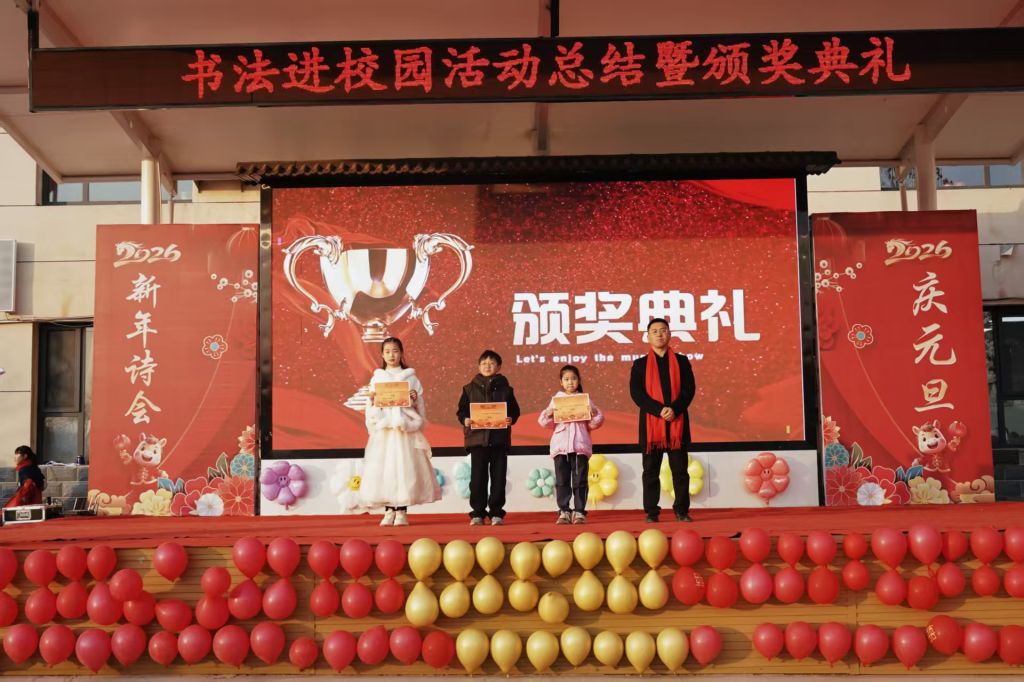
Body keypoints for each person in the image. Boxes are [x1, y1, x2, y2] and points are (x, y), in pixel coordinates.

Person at [360, 337, 441, 526]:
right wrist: (372, 401)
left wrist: (415, 398)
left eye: (395, 351)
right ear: (382, 355)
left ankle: (402, 511)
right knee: (385, 469)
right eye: (387, 351)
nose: (391, 355)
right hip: (386, 432)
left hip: (405, 432)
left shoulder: (411, 378)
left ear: (401, 353)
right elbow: (371, 411)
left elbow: (420, 410)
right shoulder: (378, 378)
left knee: (405, 469)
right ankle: (389, 511)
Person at [629, 318, 696, 523]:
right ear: (648, 336)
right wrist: (659, 410)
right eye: (655, 331)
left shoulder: (682, 361)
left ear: (669, 334)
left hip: (677, 423)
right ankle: (652, 512)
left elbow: (689, 390)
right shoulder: (640, 364)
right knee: (650, 471)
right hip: (651, 427)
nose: (659, 334)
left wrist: (674, 409)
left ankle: (681, 511)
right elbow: (636, 393)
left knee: (680, 471)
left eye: (663, 330)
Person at [456, 350, 520, 526]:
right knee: (478, 480)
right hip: (477, 441)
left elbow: (514, 411)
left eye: (491, 363)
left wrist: (510, 419)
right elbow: (462, 411)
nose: (487, 366)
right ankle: (477, 513)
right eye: (484, 363)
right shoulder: (469, 389)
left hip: (499, 440)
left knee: (498, 479)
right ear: (479, 366)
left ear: (498, 367)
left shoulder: (506, 390)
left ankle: (496, 513)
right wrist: (465, 419)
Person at [538, 365, 604, 525]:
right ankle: (564, 511)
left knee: (580, 480)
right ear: (561, 382)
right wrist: (549, 413)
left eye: (573, 378)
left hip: (580, 447)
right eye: (566, 379)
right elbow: (544, 423)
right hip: (560, 448)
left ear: (579, 380)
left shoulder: (585, 400)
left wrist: (594, 413)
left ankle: (579, 511)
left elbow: (594, 424)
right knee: (562, 480)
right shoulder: (556, 400)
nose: (570, 382)